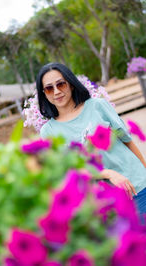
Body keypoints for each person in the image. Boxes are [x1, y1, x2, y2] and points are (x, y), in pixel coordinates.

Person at [36, 62, 146, 217]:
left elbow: (127, 140)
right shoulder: (48, 132)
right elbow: (68, 170)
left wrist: (144, 169)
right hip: (105, 204)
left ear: (71, 84)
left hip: (137, 184)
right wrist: (108, 173)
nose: (56, 92)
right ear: (44, 94)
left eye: (60, 84)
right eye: (49, 88)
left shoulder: (97, 106)